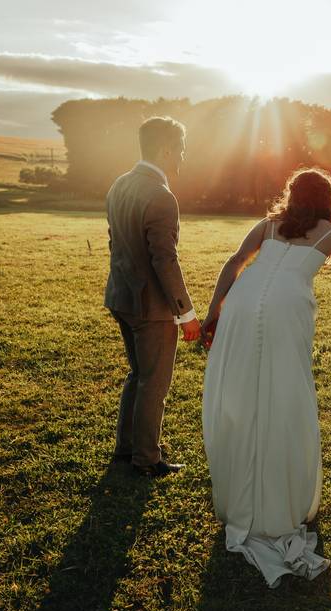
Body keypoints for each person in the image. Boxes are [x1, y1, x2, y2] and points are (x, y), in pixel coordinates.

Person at [201, 168, 331, 588]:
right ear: (327, 199)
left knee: (246, 390)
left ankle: (244, 487)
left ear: (291, 194)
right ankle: (276, 490)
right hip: (288, 309)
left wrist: (215, 310)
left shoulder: (269, 225)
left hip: (242, 301)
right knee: (284, 392)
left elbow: (235, 262)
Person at [104, 116, 201, 477]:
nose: (182, 157)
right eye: (181, 149)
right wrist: (186, 312)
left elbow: (115, 243)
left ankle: (125, 449)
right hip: (152, 308)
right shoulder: (161, 196)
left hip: (121, 297)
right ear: (165, 149)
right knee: (153, 383)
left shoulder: (119, 184)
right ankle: (146, 459)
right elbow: (165, 260)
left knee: (137, 374)